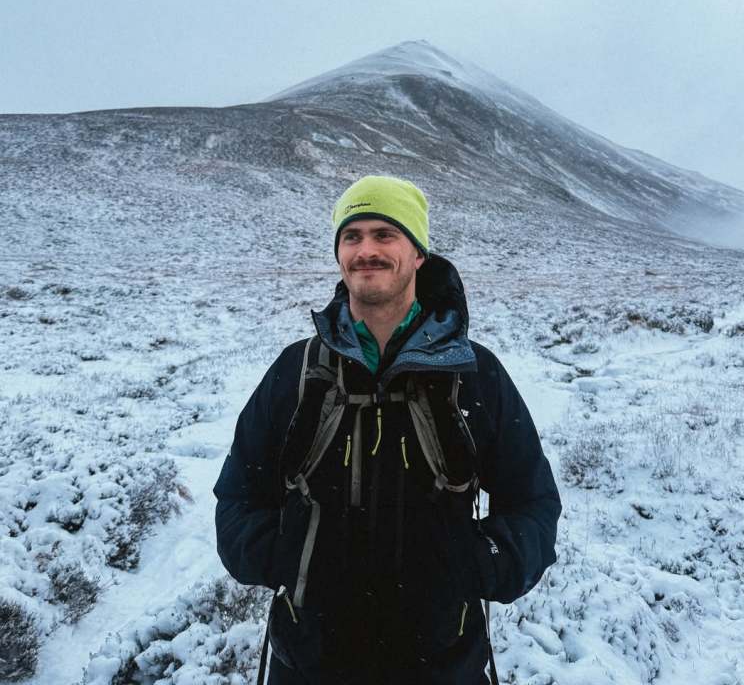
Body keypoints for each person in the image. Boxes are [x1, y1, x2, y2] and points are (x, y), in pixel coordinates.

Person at [214, 175, 562, 684]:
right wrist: (284, 559)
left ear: (418, 253)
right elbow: (238, 495)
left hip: (442, 665)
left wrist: (478, 565)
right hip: (309, 664)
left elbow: (533, 501)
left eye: (384, 234)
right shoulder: (298, 371)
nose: (366, 250)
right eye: (351, 236)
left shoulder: (472, 374)